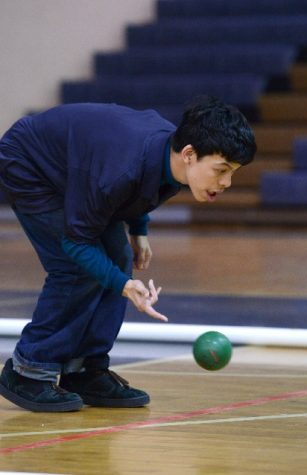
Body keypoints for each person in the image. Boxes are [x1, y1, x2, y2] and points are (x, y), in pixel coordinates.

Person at [0, 96, 256, 412]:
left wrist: (139, 230)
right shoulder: (122, 169)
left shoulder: (171, 156)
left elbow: (137, 188)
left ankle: (84, 370)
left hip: (85, 170)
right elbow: (77, 240)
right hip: (31, 164)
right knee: (75, 268)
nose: (227, 182)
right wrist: (123, 286)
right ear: (190, 154)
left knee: (118, 260)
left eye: (232, 173)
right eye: (222, 170)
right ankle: (28, 370)